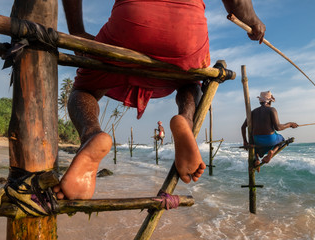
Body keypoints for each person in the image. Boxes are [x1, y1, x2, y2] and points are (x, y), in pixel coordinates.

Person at [53, 0, 266, 200]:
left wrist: (76, 31)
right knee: (190, 82)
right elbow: (237, 3)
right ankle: (185, 119)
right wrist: (253, 21)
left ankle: (92, 134)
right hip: (187, 34)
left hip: (131, 23)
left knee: (84, 91)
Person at [241, 91, 298, 172]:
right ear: (270, 101)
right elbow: (278, 127)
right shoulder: (271, 110)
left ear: (260, 101)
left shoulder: (253, 112)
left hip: (257, 139)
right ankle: (272, 152)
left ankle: (257, 160)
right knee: (281, 139)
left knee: (252, 146)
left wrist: (244, 141)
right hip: (270, 139)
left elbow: (243, 127)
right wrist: (290, 124)